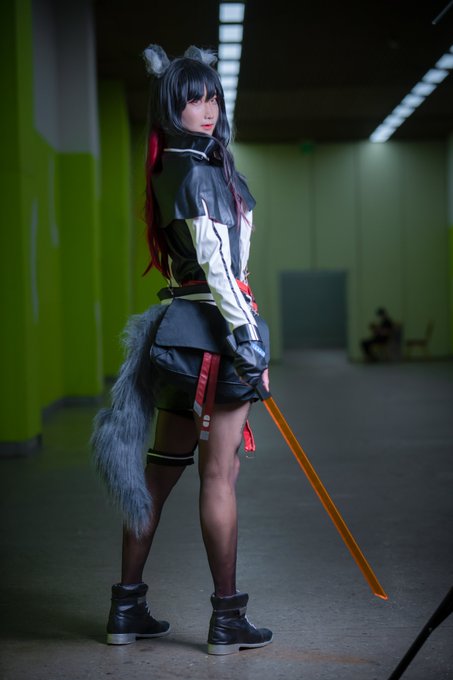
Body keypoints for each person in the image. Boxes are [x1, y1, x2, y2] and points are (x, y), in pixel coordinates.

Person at [91, 44, 273, 656]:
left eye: (212, 97)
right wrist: (248, 341)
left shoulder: (171, 167)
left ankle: (126, 608)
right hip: (214, 339)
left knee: (160, 474)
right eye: (193, 99)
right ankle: (227, 619)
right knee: (219, 476)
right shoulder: (198, 172)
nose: (207, 108)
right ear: (171, 106)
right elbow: (220, 270)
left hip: (177, 338)